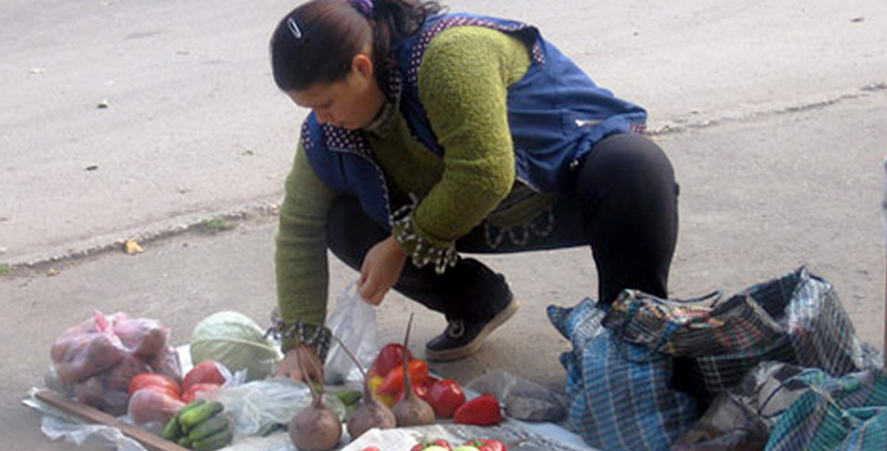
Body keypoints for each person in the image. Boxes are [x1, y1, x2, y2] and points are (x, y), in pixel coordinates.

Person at [268, 0, 679, 380]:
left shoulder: (450, 55)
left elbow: (483, 173)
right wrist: (301, 344)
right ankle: (478, 304)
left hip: (563, 190)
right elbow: (299, 227)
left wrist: (398, 245)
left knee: (634, 166)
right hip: (468, 217)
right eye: (310, 110)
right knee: (342, 222)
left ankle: (632, 341)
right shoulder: (327, 133)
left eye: (325, 103)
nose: (323, 119)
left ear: (360, 68)